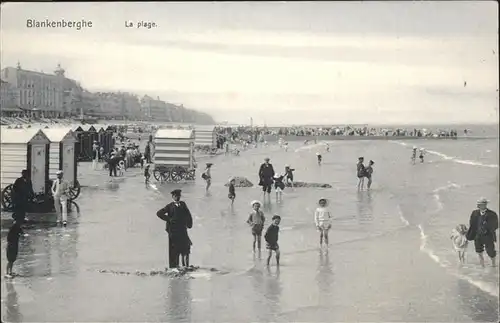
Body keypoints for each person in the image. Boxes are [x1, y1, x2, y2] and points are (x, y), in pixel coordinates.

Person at [156, 189, 193, 269]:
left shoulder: (183, 204)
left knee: (184, 248)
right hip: (173, 232)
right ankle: (173, 267)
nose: (177, 197)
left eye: (178, 196)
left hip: (182, 230)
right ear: (173, 197)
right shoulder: (169, 206)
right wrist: (169, 219)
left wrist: (189, 224)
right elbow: (159, 213)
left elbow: (188, 214)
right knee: (173, 250)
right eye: (176, 196)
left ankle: (185, 266)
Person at [466, 197, 498, 267]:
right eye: (478, 204)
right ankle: (482, 265)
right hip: (477, 235)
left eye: (481, 204)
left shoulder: (492, 214)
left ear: (485, 204)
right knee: (479, 251)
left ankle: (493, 264)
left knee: (491, 252)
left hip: (488, 236)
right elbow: (472, 224)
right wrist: (469, 234)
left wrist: (487, 227)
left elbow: (496, 225)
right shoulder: (474, 213)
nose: (478, 205)